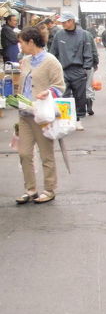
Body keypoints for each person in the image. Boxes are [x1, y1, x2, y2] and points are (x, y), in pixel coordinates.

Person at [15, 27, 65, 205]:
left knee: (46, 154)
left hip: (41, 115)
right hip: (24, 113)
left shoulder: (51, 62)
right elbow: (23, 86)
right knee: (24, 153)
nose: (19, 46)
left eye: (21, 42)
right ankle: (30, 189)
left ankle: (49, 189)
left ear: (31, 42)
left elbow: (60, 87)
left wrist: (47, 92)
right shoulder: (25, 60)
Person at [49, 13, 94, 131]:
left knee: (79, 96)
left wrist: (86, 68)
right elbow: (53, 51)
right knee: (63, 96)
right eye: (62, 22)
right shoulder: (59, 34)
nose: (62, 24)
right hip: (62, 69)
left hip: (78, 69)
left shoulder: (83, 34)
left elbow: (88, 52)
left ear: (72, 21)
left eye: (65, 22)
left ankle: (78, 119)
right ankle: (65, 120)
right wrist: (53, 68)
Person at [83, 27, 100, 116]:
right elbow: (94, 50)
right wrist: (96, 62)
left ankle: (80, 107)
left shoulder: (67, 35)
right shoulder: (88, 35)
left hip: (75, 66)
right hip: (88, 64)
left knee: (78, 87)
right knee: (88, 85)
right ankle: (89, 106)